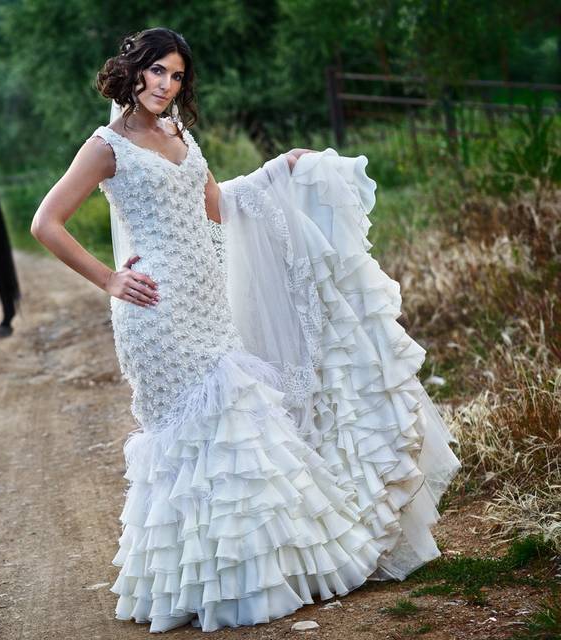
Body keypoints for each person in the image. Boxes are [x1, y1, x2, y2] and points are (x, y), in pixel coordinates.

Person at [30, 28, 459, 633]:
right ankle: (215, 581)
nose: (166, 85)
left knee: (236, 430)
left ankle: (259, 572)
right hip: (157, 313)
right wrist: (108, 280)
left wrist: (279, 172)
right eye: (157, 72)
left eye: (177, 76)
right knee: (212, 425)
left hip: (208, 304)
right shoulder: (105, 146)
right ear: (133, 72)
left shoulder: (180, 133)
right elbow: (46, 222)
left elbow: (215, 206)